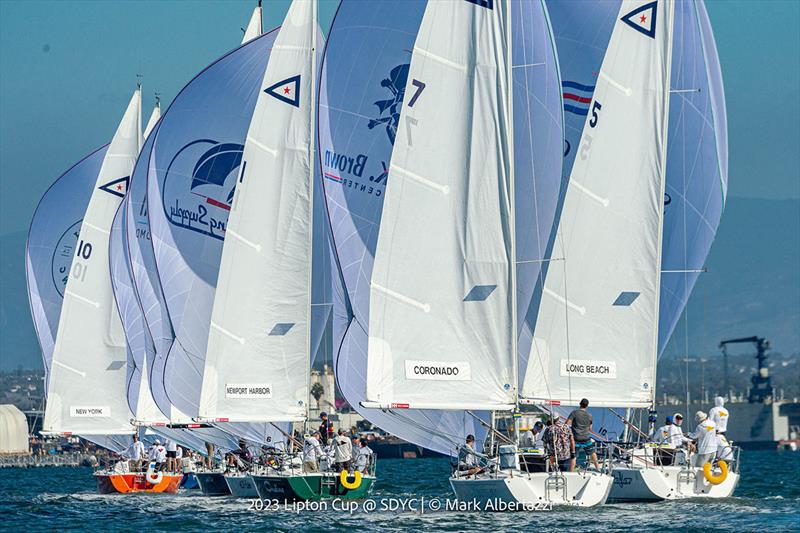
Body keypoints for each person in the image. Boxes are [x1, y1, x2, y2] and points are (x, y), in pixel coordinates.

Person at [567, 399, 599, 470]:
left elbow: (567, 424)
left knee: (573, 456)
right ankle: (598, 468)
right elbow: (590, 428)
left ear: (580, 404)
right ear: (587, 406)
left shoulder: (574, 413)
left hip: (576, 439)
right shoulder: (589, 416)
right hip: (586, 438)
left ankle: (571, 472)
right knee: (592, 453)